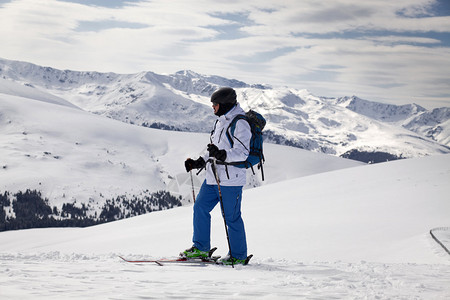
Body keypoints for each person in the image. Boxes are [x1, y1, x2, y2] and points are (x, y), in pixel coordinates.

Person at [182, 87, 251, 265]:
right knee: (200, 208)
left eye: (215, 104)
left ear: (225, 104)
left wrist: (223, 155)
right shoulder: (221, 122)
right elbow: (213, 148)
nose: (213, 107)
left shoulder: (240, 123)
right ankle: (201, 247)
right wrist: (199, 161)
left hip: (231, 179)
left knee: (231, 217)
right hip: (213, 177)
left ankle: (239, 256)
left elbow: (242, 153)